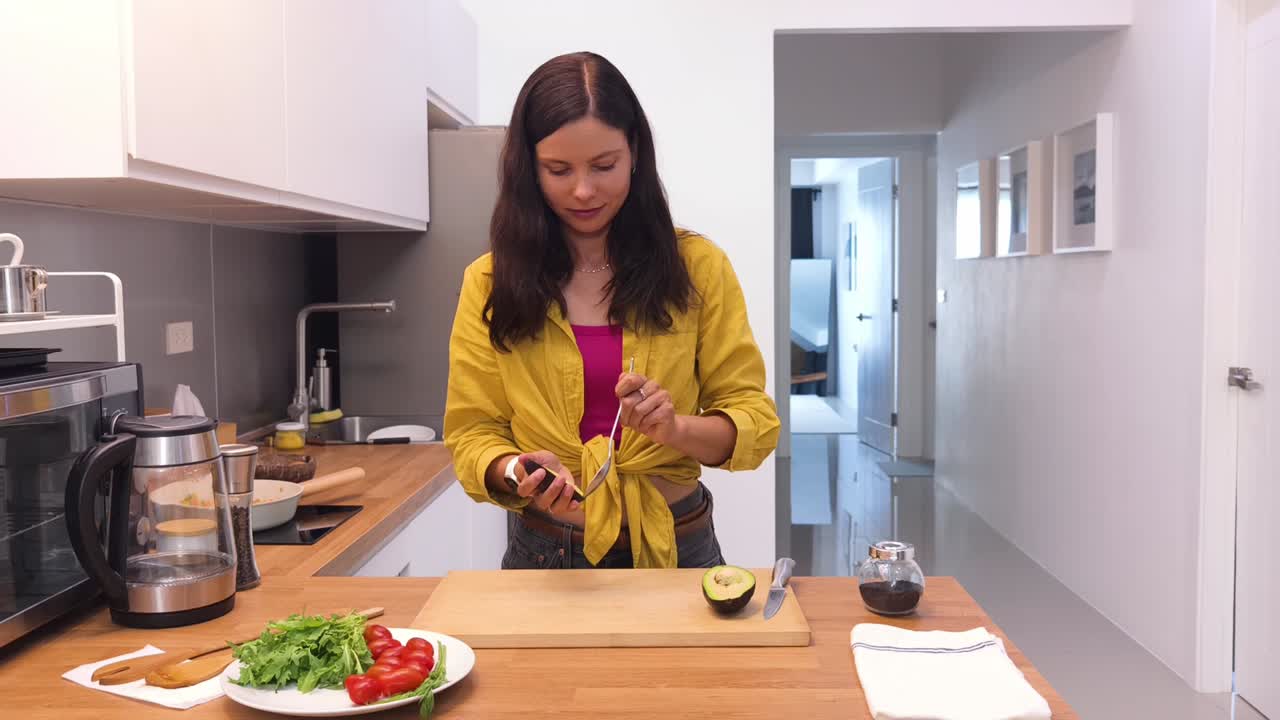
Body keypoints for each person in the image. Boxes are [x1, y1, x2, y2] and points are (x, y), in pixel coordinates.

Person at [444, 51, 779, 570]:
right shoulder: (488, 281)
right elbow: (472, 433)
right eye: (558, 170)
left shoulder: (699, 267)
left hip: (678, 544)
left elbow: (754, 421)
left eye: (604, 166)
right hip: (545, 553)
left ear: (635, 154)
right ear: (528, 169)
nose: (583, 190)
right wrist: (516, 470)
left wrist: (675, 429)